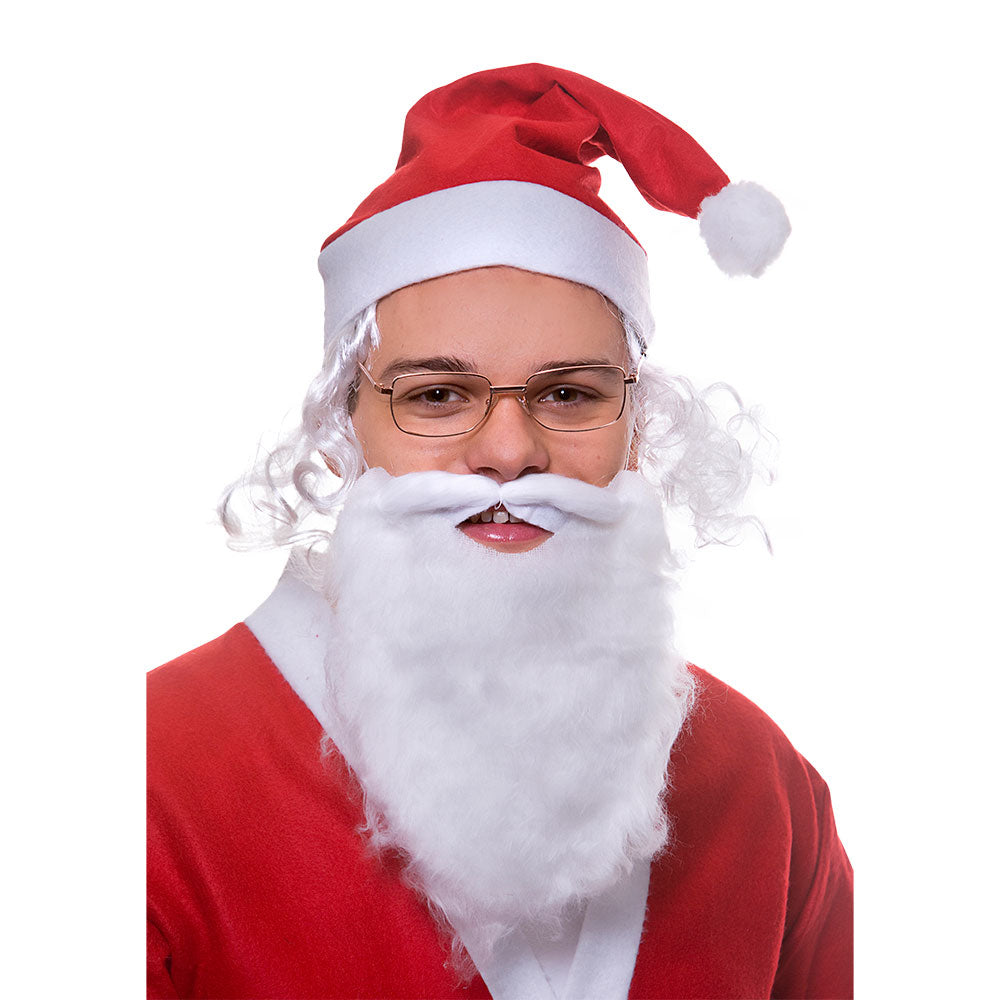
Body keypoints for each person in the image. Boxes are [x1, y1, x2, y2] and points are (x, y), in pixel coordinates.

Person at [147, 64, 852, 999]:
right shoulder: (150, 775)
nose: (510, 450)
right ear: (343, 426)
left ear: (639, 430)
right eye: (437, 395)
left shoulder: (767, 790)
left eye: (570, 394)